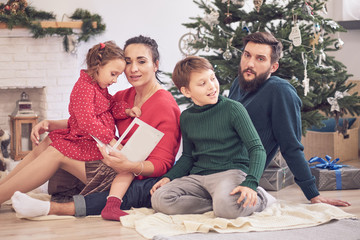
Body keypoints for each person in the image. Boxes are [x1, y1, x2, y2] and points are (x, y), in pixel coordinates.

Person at [11, 35, 182, 221]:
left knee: (57, 152)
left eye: (141, 61)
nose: (133, 69)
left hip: (131, 176)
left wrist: (128, 165)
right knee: (52, 138)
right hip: (113, 160)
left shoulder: (165, 105)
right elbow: (90, 120)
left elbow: (164, 164)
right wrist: (52, 124)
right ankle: (5, 188)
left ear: (155, 64)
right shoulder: (123, 96)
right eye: (128, 62)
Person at [228, 31, 350, 207]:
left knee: (224, 206)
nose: (250, 63)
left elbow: (291, 146)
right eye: (247, 55)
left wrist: (312, 194)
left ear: (273, 67)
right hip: (213, 165)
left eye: (260, 59)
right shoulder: (238, 83)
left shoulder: (280, 91)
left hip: (240, 175)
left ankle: (263, 198)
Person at [0, 40, 129, 206]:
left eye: (118, 75)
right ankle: (4, 187)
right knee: (51, 141)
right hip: (91, 141)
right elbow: (86, 120)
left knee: (54, 145)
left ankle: (3, 189)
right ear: (98, 66)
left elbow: (106, 107)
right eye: (113, 74)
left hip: (93, 144)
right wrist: (111, 139)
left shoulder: (98, 87)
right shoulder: (86, 87)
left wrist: (126, 111)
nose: (116, 80)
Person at [150, 56, 276, 219]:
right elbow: (188, 156)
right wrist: (169, 177)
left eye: (212, 78)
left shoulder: (233, 109)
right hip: (198, 178)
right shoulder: (186, 117)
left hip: (231, 173)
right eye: (202, 84)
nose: (212, 86)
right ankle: (220, 203)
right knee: (159, 199)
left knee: (227, 210)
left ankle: (262, 199)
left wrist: (251, 183)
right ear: (186, 91)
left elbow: (257, 149)